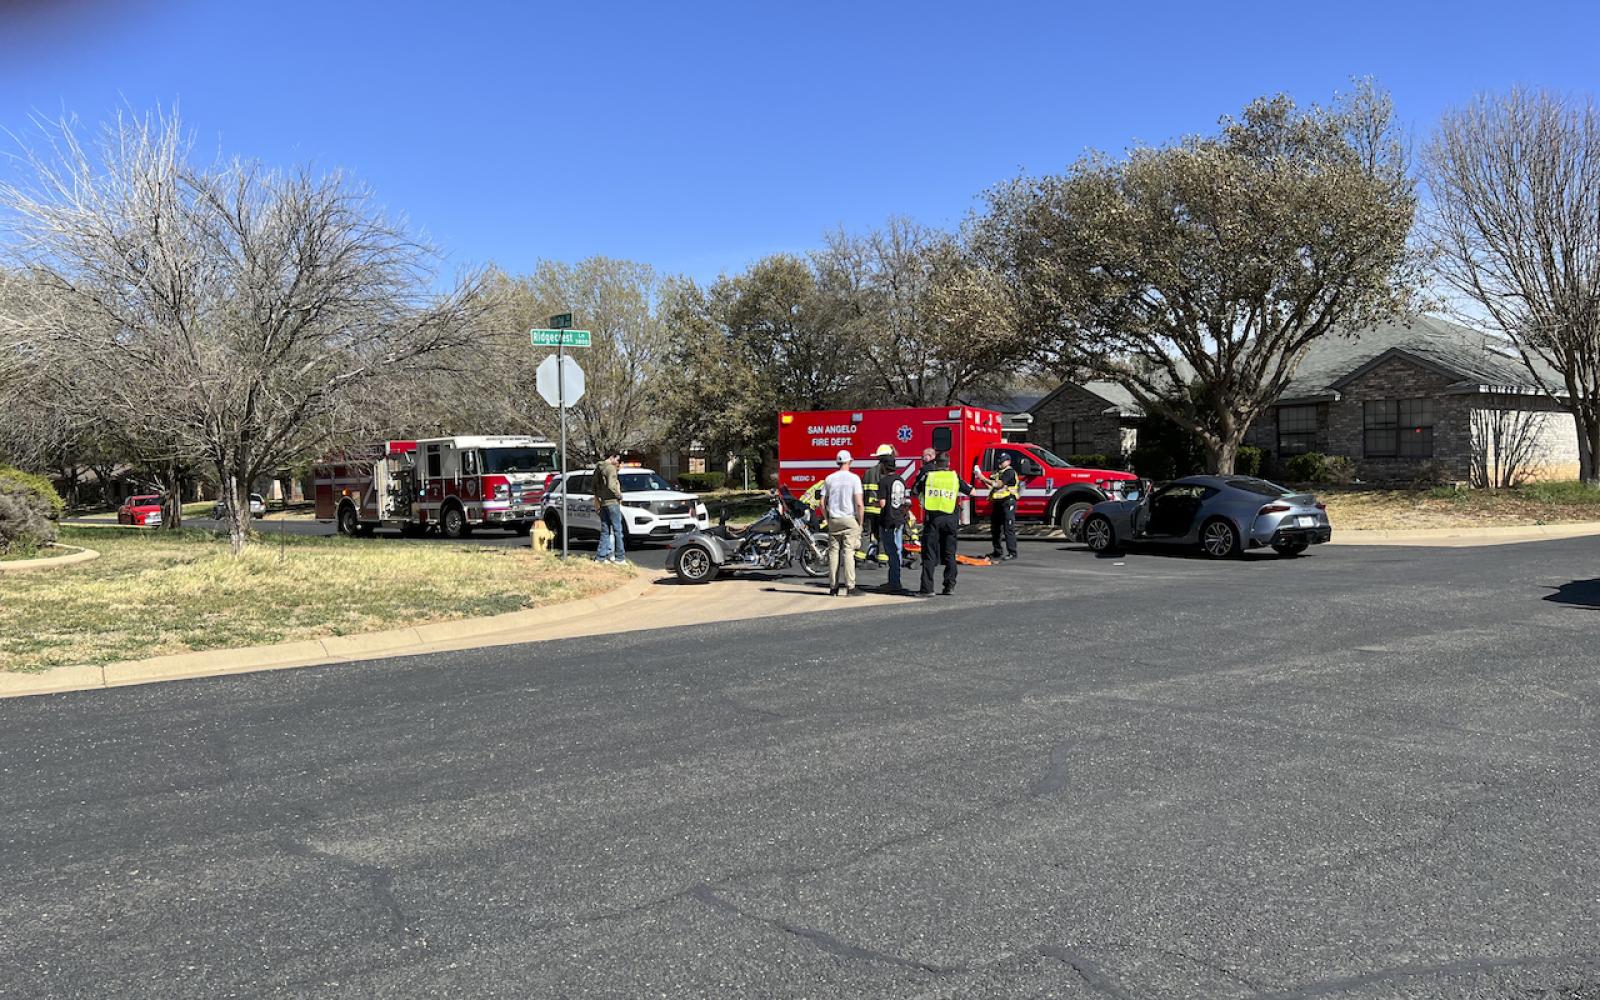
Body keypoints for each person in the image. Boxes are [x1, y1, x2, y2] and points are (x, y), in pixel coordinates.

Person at [914, 451, 972, 597]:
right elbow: (973, 492)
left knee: (929, 555)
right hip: (950, 519)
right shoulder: (954, 477)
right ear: (949, 464)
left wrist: (924, 499)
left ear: (936, 463)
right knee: (950, 554)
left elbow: (915, 491)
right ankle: (949, 587)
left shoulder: (929, 477)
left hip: (933, 519)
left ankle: (927, 589)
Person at [822, 449, 863, 596]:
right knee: (848, 552)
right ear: (849, 461)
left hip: (834, 519)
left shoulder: (829, 479)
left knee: (833, 552)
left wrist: (827, 518)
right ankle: (850, 587)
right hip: (849, 519)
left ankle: (833, 587)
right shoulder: (854, 479)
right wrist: (860, 522)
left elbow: (822, 502)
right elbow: (859, 504)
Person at [872, 446, 910, 594]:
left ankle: (894, 582)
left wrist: (874, 502)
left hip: (888, 521)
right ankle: (895, 580)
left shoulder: (884, 482)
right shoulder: (901, 480)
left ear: (883, 467)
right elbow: (906, 502)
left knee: (892, 552)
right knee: (898, 550)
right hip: (899, 520)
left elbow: (882, 504)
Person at [981, 454, 1020, 561]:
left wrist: (983, 478)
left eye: (1002, 461)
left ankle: (1012, 552)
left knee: (1008, 528)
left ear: (1008, 461)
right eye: (999, 461)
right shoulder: (998, 472)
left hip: (1008, 502)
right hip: (998, 502)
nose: (1000, 463)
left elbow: (999, 484)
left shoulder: (1009, 472)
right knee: (995, 528)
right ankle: (997, 551)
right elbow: (991, 486)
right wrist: (982, 479)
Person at [593, 452, 627, 564]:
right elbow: (611, 486)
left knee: (605, 531)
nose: (618, 462)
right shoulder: (611, 468)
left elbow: (594, 486)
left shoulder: (598, 468)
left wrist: (598, 498)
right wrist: (619, 496)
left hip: (603, 502)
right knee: (618, 531)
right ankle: (620, 558)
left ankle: (600, 557)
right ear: (612, 457)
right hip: (612, 503)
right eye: (617, 459)